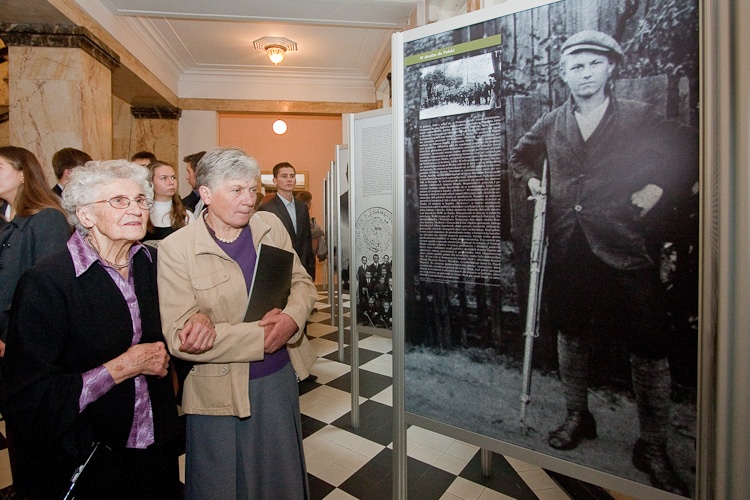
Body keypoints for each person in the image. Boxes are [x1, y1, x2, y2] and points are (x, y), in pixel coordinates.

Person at [509, 30, 687, 495]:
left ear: (610, 68)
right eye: (576, 66)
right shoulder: (552, 121)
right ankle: (577, 415)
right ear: (564, 76)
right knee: (571, 332)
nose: (585, 73)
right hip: (570, 245)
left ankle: (652, 445)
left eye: (593, 64)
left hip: (626, 245)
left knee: (649, 344)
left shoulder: (639, 115)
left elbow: (685, 148)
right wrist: (532, 182)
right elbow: (520, 157)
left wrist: (658, 187)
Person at [0, 160, 180, 499]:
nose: (136, 209)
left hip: (156, 448)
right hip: (87, 457)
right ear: (85, 215)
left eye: (140, 200)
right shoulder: (48, 281)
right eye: (119, 201)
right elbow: (29, 396)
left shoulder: (154, 265)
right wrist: (123, 367)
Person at [157, 147, 317, 499]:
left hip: (276, 380)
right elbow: (180, 337)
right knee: (222, 485)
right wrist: (262, 336)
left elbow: (302, 283)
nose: (249, 200)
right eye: (236, 190)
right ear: (206, 193)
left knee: (279, 482)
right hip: (216, 393)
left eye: (252, 189)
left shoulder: (270, 227)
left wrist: (292, 318)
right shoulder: (177, 249)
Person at [0, 146, 70, 357]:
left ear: (23, 174)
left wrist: (10, 336)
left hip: (23, 334)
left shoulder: (48, 218)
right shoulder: (4, 216)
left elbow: (47, 287)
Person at [258, 162, 316, 280]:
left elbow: (306, 238)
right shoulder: (267, 208)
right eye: (284, 176)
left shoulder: (302, 207)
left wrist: (310, 265)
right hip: (280, 267)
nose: (289, 179)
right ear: (275, 181)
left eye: (292, 176)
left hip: (302, 266)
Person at [144, 160, 194, 242]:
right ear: (150, 182)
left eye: (173, 177)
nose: (171, 182)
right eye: (164, 178)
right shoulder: (141, 213)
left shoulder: (186, 215)